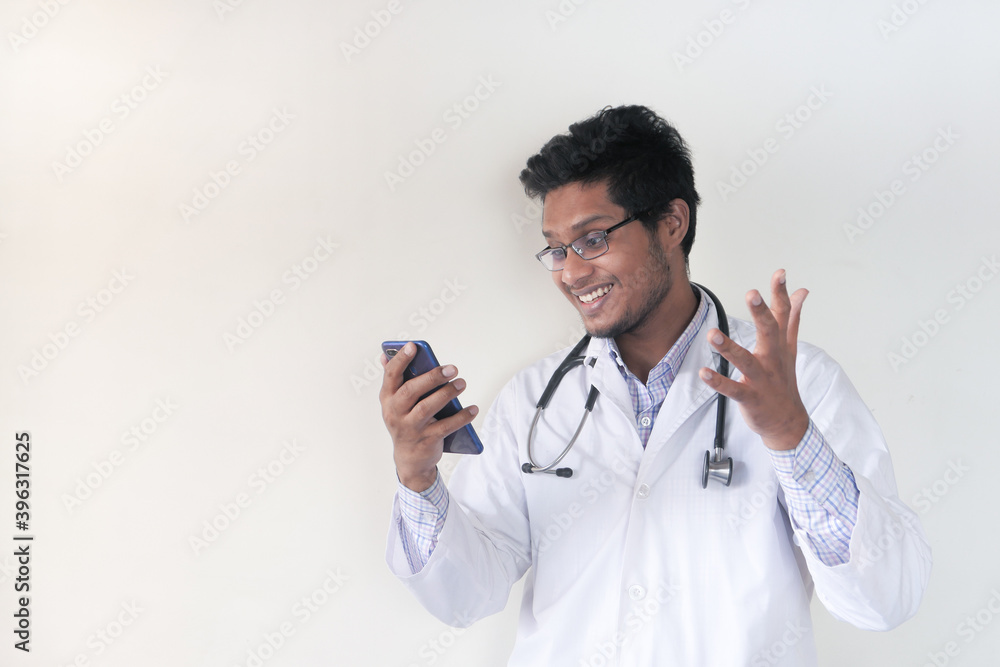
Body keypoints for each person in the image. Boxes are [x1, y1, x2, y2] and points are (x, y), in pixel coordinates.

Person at [379, 105, 931, 666]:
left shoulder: (800, 383)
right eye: (557, 249)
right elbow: (466, 596)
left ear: (671, 223)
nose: (571, 273)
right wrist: (419, 480)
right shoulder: (533, 399)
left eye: (593, 239)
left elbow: (885, 598)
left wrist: (793, 438)